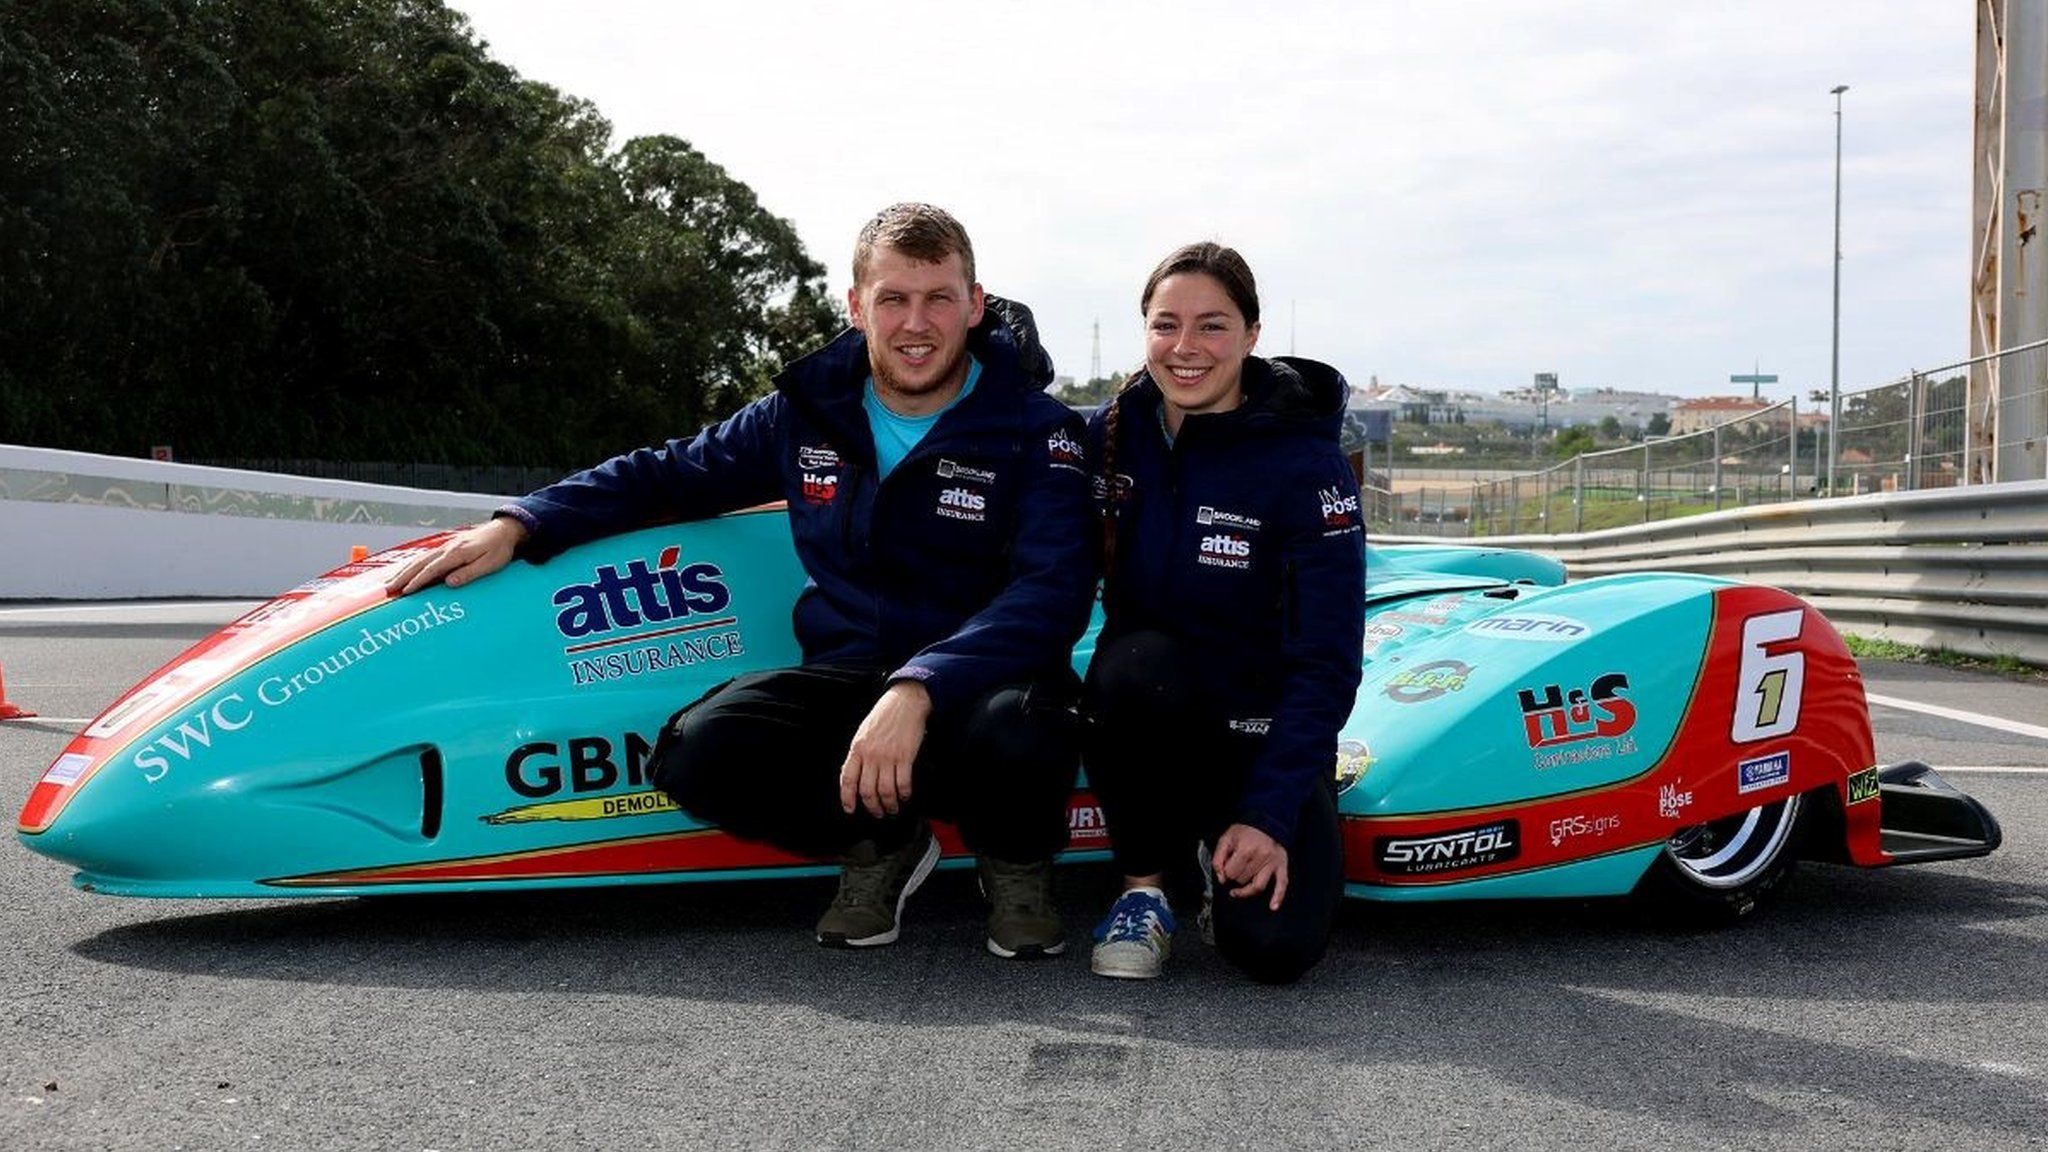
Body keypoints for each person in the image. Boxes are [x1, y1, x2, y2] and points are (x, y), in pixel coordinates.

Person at [386, 203, 1095, 958]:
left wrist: (918, 684)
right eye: (892, 299)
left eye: (938, 298)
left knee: (1021, 728)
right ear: (857, 308)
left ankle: (1016, 865)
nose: (915, 323)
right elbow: (667, 473)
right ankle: (880, 845)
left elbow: (1051, 594)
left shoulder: (1039, 429)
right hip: (853, 672)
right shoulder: (806, 413)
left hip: (987, 682)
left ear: (974, 304)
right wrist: (523, 522)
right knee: (699, 751)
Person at [1082, 242, 1366, 984]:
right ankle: (1145, 887)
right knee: (1134, 664)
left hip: (1260, 738)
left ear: (1252, 334)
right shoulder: (1111, 435)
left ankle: (1225, 840)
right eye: (1165, 324)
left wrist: (1270, 813)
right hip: (1155, 714)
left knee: (1274, 952)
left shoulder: (1307, 465)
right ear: (1143, 332)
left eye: (1212, 326)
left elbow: (1329, 660)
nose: (1185, 349)